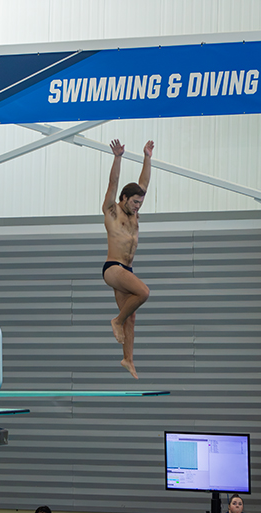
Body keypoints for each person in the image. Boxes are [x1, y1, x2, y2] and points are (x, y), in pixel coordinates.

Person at [102, 138, 154, 380]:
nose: (137, 206)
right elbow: (113, 183)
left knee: (132, 316)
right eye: (134, 202)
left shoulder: (135, 214)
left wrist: (147, 157)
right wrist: (118, 157)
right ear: (123, 198)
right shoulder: (112, 211)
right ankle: (116, 321)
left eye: (140, 203)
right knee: (143, 293)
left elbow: (143, 183)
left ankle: (128, 359)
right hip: (113, 268)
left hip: (127, 270)